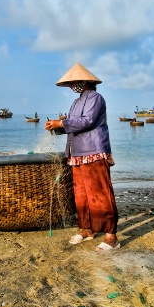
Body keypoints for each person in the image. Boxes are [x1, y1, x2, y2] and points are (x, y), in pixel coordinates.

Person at [44, 62, 120, 251]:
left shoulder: (95, 97)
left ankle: (111, 236)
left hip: (93, 152)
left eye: (75, 82)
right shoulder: (76, 102)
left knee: (100, 194)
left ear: (85, 81)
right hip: (76, 154)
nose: (73, 86)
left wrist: (61, 123)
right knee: (81, 196)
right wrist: (57, 127)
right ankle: (87, 229)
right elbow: (72, 127)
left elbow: (87, 121)